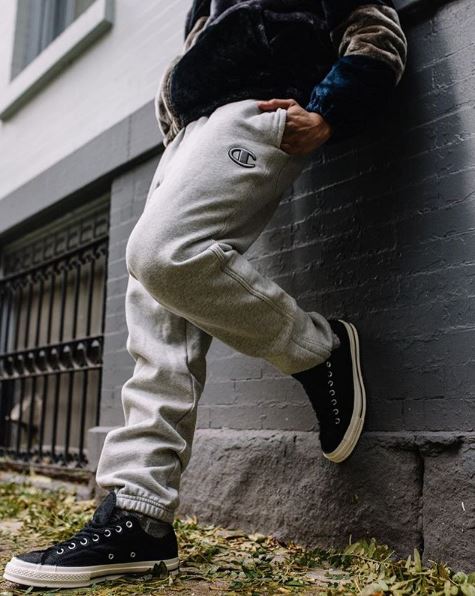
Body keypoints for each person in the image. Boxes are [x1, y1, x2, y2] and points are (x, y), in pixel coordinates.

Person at [4, 0, 407, 588]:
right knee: (154, 323)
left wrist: (328, 110)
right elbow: (199, 43)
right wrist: (175, 122)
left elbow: (374, 26)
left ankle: (319, 351)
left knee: (161, 254)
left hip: (256, 109)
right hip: (190, 133)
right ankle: (140, 516)